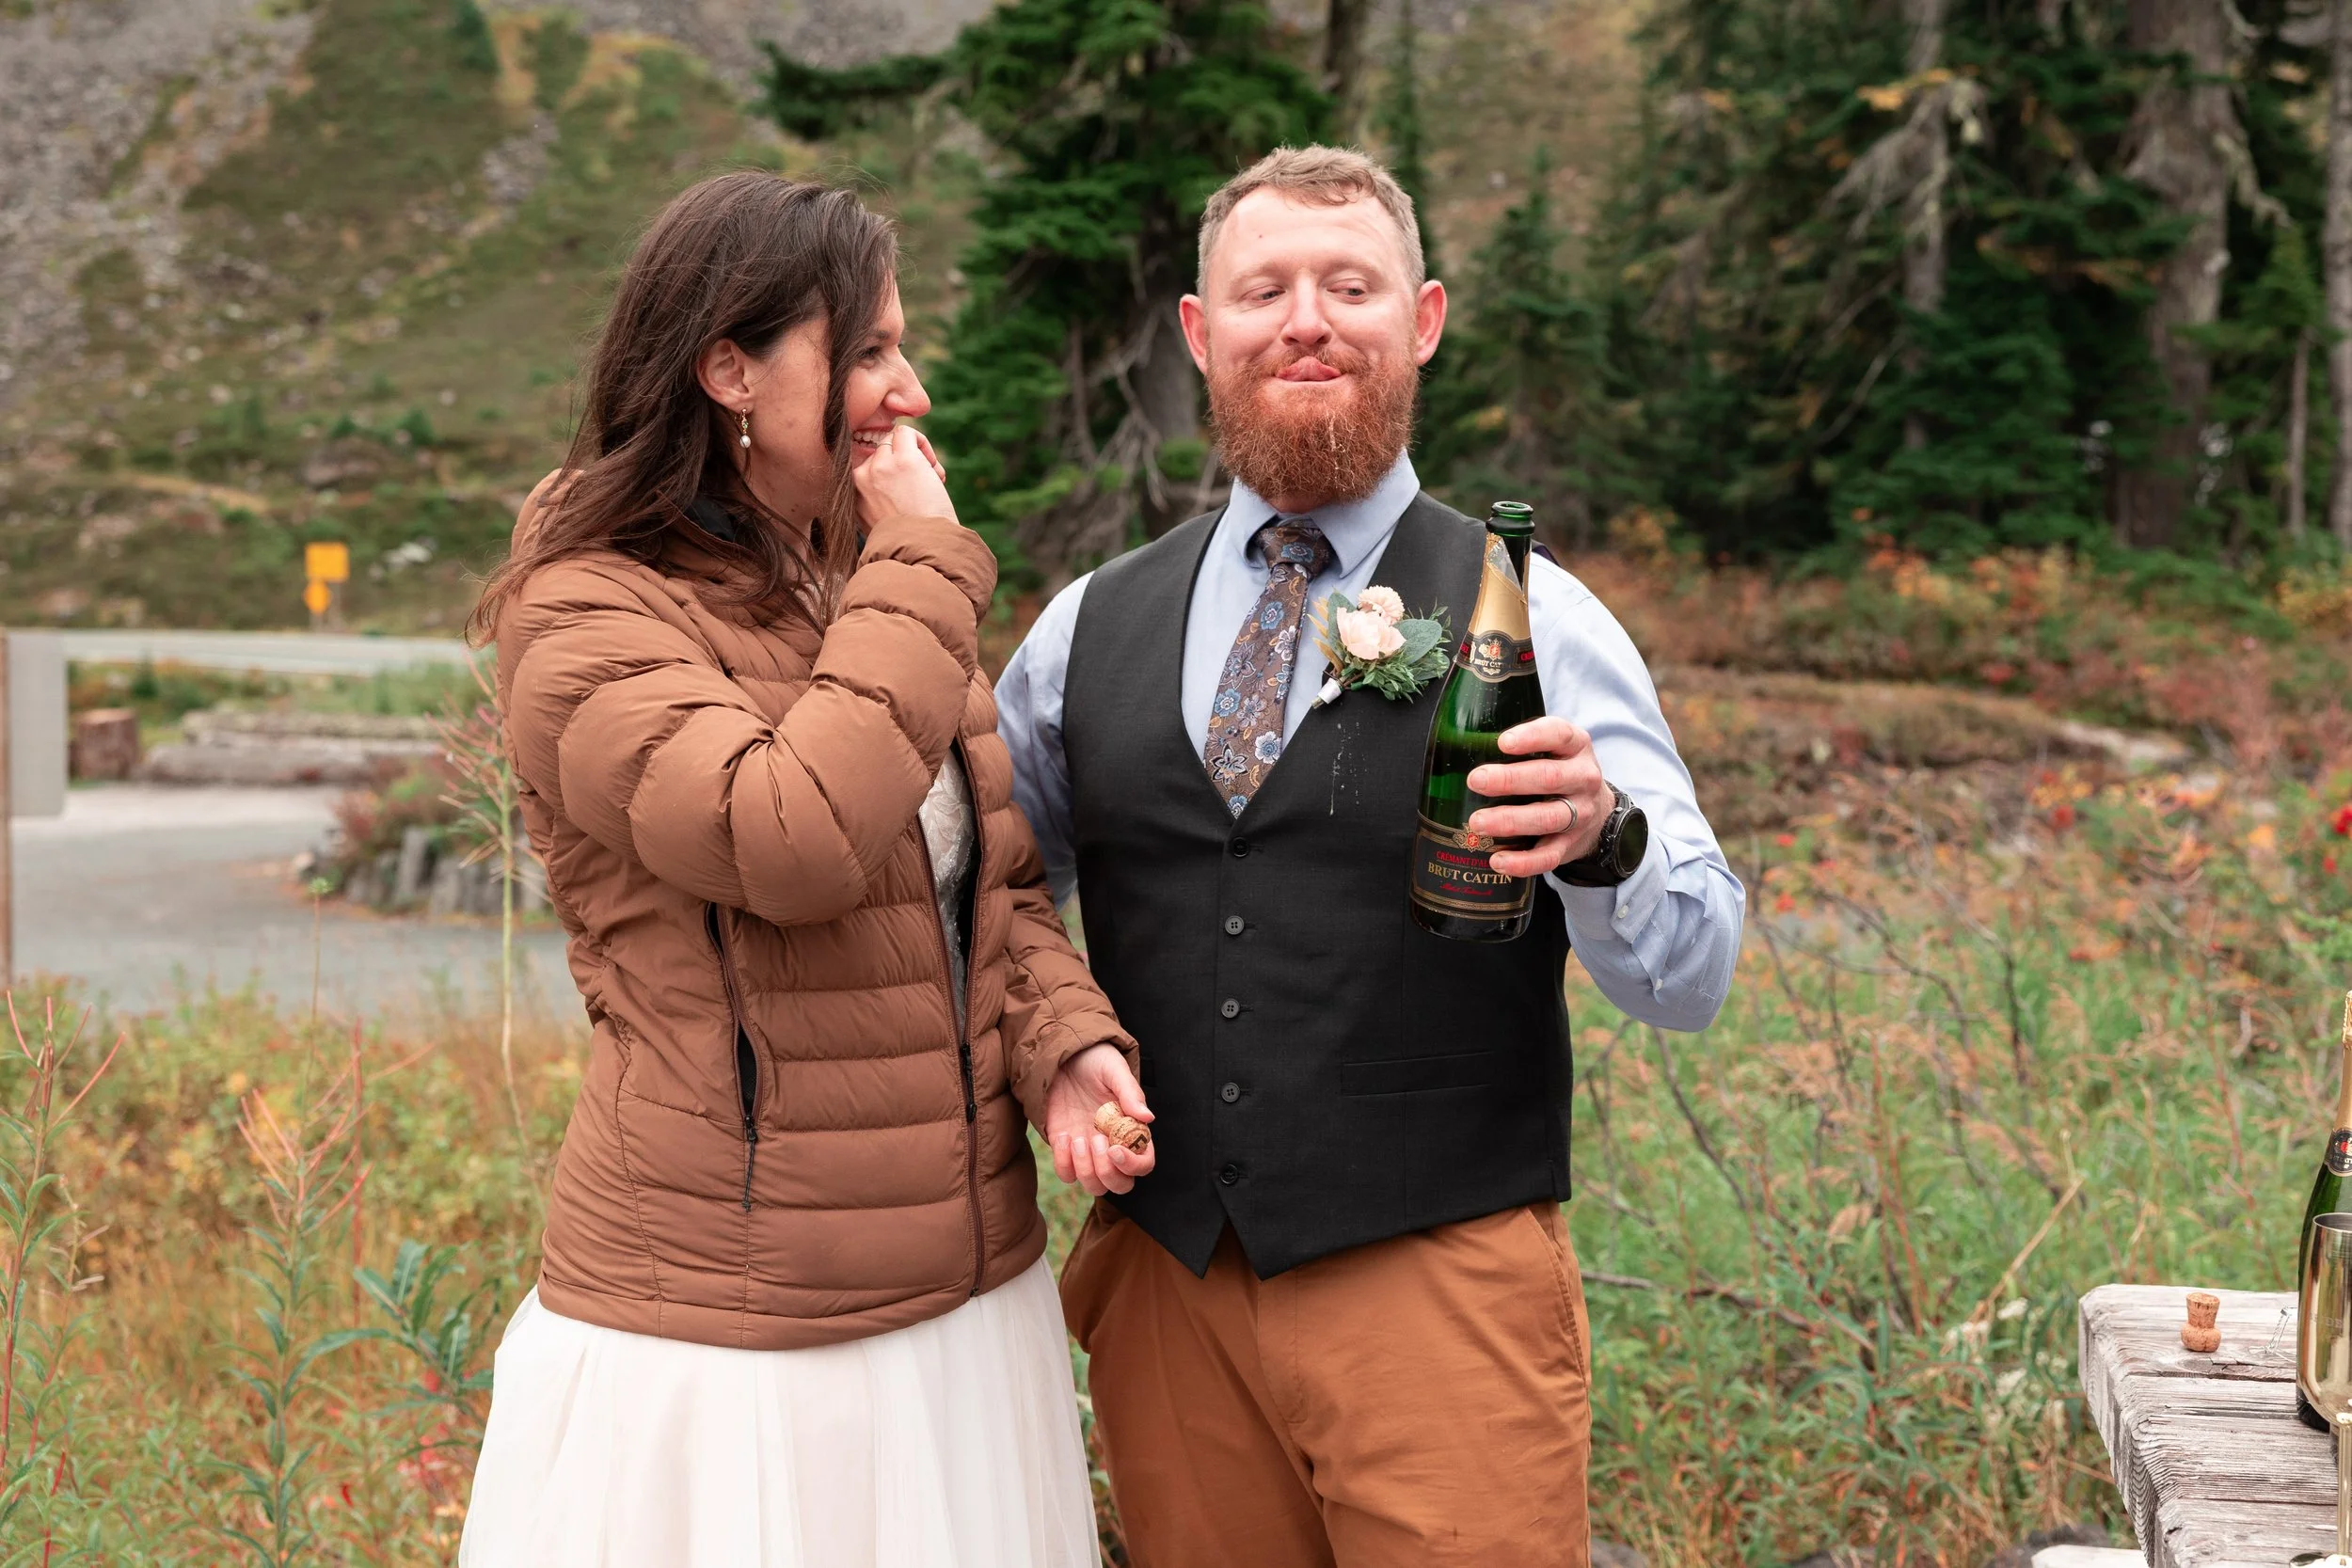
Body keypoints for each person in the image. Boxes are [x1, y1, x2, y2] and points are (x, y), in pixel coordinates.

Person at [994, 146, 1746, 1567]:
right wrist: (1052, 1039)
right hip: (1167, 1286)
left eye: (1352, 285)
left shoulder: (1544, 618)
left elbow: (1693, 970)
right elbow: (976, 892)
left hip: (1440, 1283)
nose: (1309, 320)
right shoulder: (1084, 626)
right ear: (1201, 335)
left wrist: (1607, 838)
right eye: (1264, 289)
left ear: (1426, 321)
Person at [459, 171, 1153, 1568]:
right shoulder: (585, 608)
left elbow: (989, 896)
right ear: (729, 368)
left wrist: (1067, 1046)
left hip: (962, 1301)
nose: (911, 391)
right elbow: (790, 838)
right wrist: (923, 565)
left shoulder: (871, 584)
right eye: (871, 350)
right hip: (738, 1336)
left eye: (904, 346)